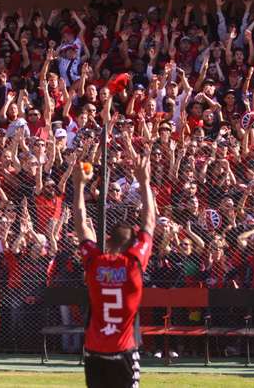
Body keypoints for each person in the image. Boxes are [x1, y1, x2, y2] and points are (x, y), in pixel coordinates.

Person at [73, 147, 156, 388]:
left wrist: (79, 185)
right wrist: (144, 181)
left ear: (108, 241)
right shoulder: (134, 263)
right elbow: (149, 220)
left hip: (94, 350)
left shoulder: (95, 263)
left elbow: (81, 222)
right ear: (133, 244)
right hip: (123, 349)